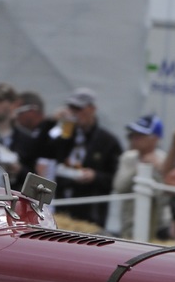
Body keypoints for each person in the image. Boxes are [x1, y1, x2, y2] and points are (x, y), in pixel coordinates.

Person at [43, 87, 122, 226]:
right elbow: (43, 150)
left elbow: (116, 179)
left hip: (90, 211)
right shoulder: (65, 134)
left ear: (92, 109)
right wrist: (51, 122)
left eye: (79, 109)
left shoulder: (108, 141)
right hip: (61, 206)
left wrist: (95, 176)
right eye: (72, 108)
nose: (75, 113)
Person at [107, 113, 165, 239]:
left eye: (140, 136)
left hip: (158, 227)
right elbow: (119, 187)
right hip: (129, 224)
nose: (133, 139)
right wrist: (140, 168)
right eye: (132, 135)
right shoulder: (128, 158)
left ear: (154, 139)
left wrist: (158, 169)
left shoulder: (163, 160)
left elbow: (165, 196)